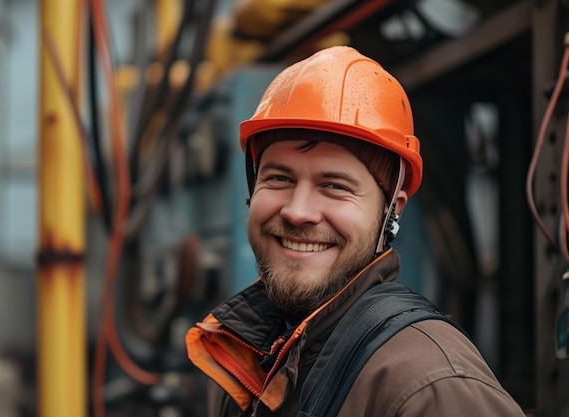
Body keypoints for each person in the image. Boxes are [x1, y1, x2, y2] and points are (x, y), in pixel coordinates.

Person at [185, 45, 526, 417]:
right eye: (279, 178)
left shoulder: (431, 387)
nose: (298, 211)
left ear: (390, 212)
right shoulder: (243, 357)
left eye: (335, 186)